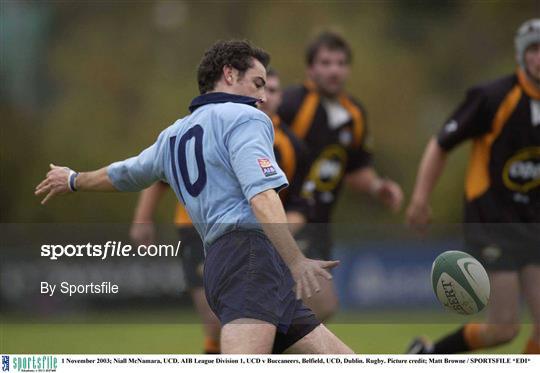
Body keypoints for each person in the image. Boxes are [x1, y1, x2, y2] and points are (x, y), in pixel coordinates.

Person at [35, 39, 354, 354]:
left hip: (224, 262)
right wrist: (296, 260)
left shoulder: (172, 135)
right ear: (229, 74)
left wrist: (75, 179)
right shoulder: (246, 117)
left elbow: (124, 173)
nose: (263, 96)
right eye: (258, 83)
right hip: (249, 258)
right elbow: (260, 195)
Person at [128, 67, 305, 354]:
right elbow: (155, 172)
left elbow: (296, 202)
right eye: (260, 86)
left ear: (281, 97)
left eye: (272, 90)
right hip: (200, 229)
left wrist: (281, 235)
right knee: (218, 323)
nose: (265, 96)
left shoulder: (290, 144)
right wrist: (142, 217)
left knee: (271, 322)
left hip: (257, 236)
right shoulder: (220, 124)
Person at [406, 19, 540, 354]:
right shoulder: (493, 97)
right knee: (504, 327)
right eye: (535, 50)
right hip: (493, 221)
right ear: (522, 55)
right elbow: (440, 144)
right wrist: (421, 199)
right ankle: (430, 356)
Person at [278, 31, 404, 321]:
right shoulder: (293, 104)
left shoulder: (354, 114)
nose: (334, 70)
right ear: (311, 68)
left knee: (307, 312)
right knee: (320, 306)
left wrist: (377, 186)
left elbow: (355, 168)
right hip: (288, 219)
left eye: (340, 63)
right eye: (325, 62)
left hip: (319, 223)